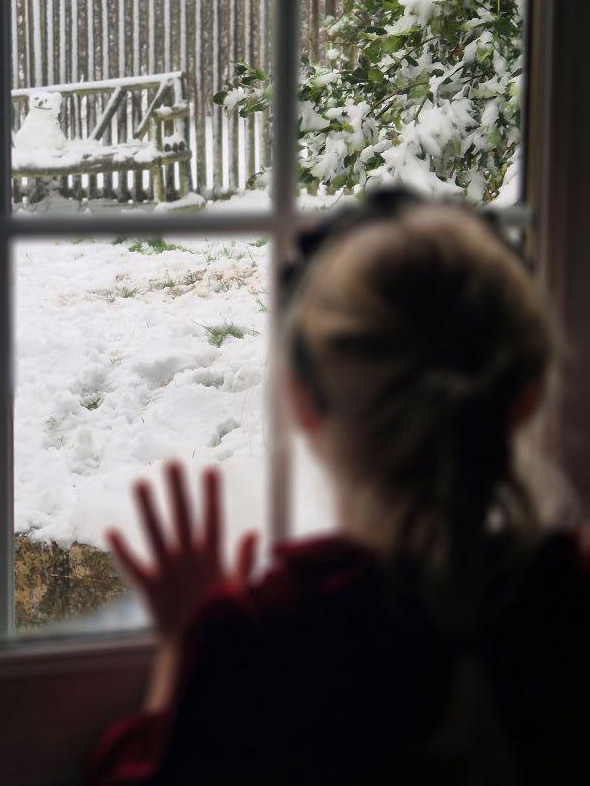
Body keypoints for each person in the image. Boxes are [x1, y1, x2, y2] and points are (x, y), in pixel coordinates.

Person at [89, 190, 590, 785]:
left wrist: (181, 649)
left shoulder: (271, 644)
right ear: (527, 394)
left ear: (303, 402)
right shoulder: (567, 607)